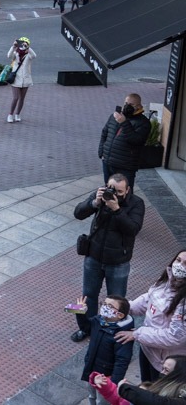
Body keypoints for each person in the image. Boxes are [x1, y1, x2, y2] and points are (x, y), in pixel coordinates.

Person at [70, 173, 145, 343]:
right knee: (89, 295)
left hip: (118, 262)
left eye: (119, 191)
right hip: (94, 257)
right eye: (111, 189)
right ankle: (86, 328)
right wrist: (94, 203)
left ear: (127, 190)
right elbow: (78, 213)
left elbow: (133, 229)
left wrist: (117, 209)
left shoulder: (136, 203)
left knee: (116, 299)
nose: (114, 194)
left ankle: (111, 330)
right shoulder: (101, 195)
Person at [116, 249, 186, 382]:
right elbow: (149, 298)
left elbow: (175, 337)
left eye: (185, 264)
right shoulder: (166, 279)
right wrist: (125, 307)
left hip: (165, 363)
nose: (179, 266)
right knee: (145, 383)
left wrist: (138, 334)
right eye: (178, 260)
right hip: (148, 349)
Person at [77, 294, 134, 405]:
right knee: (92, 396)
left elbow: (122, 361)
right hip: (92, 369)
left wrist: (113, 384)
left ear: (120, 315)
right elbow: (86, 328)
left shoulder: (122, 335)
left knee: (102, 401)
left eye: (110, 306)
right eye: (104, 304)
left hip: (105, 378)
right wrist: (80, 313)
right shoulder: (99, 320)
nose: (104, 307)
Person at [99, 93, 151, 190]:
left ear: (139, 106)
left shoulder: (143, 123)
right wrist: (101, 151)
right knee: (108, 190)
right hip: (108, 162)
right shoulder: (114, 117)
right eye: (126, 103)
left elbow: (136, 140)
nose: (127, 106)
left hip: (125, 166)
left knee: (125, 193)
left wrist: (124, 123)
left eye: (131, 105)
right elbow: (104, 133)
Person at [6, 37, 37, 123]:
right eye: (21, 43)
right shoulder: (16, 53)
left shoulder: (29, 54)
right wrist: (13, 46)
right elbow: (9, 56)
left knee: (22, 98)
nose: (22, 46)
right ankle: (10, 114)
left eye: (24, 44)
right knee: (15, 97)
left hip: (26, 79)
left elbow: (34, 56)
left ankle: (18, 114)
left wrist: (28, 48)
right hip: (16, 78)